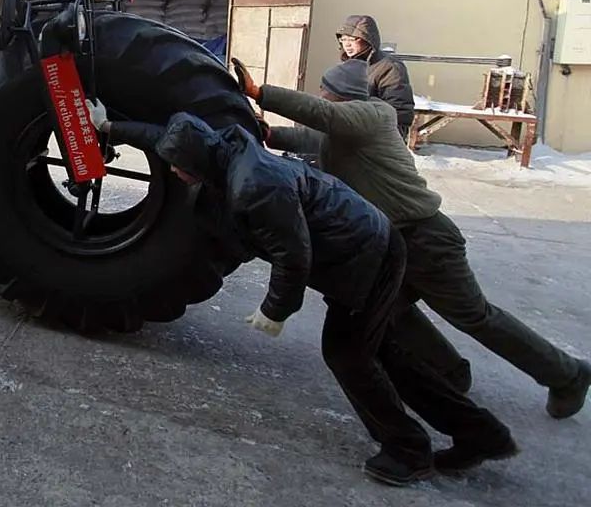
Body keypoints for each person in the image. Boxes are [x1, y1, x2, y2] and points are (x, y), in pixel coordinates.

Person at [84, 102, 517, 485]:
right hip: (360, 247)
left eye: (179, 167)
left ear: (194, 161)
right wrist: (110, 128)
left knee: (348, 354)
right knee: (385, 354)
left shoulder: (254, 186)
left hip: (367, 256)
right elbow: (166, 138)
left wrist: (275, 311)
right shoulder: (219, 149)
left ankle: (408, 451)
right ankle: (481, 435)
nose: (175, 173)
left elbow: (294, 256)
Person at [235, 55, 591, 423]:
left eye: (326, 91)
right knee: (391, 311)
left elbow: (324, 118)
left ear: (344, 96)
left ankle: (567, 374)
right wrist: (271, 135)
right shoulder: (344, 130)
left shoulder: (374, 116)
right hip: (391, 243)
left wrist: (259, 92)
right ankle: (450, 372)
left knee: (476, 316)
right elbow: (313, 136)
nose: (321, 96)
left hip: (426, 238)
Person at [336, 15, 415, 139]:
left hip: (379, 138)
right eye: (344, 39)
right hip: (349, 134)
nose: (347, 45)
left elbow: (399, 111)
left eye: (353, 39)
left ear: (367, 39)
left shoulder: (390, 67)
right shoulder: (347, 66)